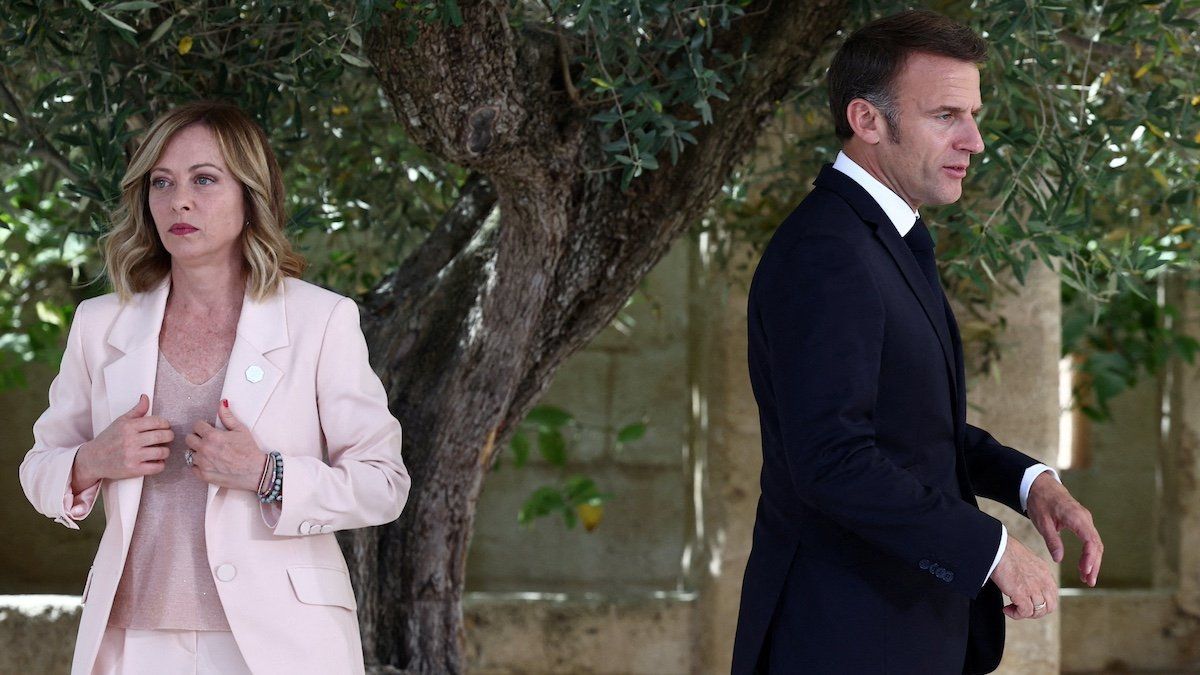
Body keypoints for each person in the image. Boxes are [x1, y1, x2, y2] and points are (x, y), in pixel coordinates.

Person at [731, 11, 1104, 674]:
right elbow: (834, 459)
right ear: (867, 120)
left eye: (974, 114)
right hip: (842, 638)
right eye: (946, 116)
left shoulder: (884, 238)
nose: (976, 140)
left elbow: (908, 430)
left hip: (899, 632)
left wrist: (1029, 482)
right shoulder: (827, 250)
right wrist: (992, 549)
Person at [19, 101, 410, 674]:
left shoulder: (321, 320)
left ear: (252, 195)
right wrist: (91, 460)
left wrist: (267, 475)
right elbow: (39, 468)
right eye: (162, 182)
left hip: (280, 642)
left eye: (205, 179)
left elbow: (384, 483)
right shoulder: (100, 325)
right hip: (133, 639)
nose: (180, 200)